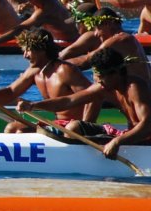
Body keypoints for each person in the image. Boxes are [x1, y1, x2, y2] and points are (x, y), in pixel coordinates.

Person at [17, 47, 151, 160]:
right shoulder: (104, 86)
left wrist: (117, 142)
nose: (96, 80)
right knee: (74, 127)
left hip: (144, 140)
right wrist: (33, 105)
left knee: (73, 127)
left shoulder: (135, 87)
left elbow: (147, 125)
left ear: (115, 73)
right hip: (129, 136)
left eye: (100, 75)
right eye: (94, 74)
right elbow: (68, 101)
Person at [0, 28, 97, 133]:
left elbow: (93, 97)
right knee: (12, 128)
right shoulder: (33, 72)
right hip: (57, 124)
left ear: (42, 50)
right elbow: (10, 92)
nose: (25, 55)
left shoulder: (65, 71)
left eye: (29, 50)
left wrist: (85, 126)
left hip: (73, 127)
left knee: (20, 131)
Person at [64, 7, 151, 82]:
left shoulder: (122, 40)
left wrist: (56, 64)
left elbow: (86, 61)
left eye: (98, 28)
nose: (96, 33)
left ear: (109, 23)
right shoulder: (122, 39)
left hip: (142, 94)